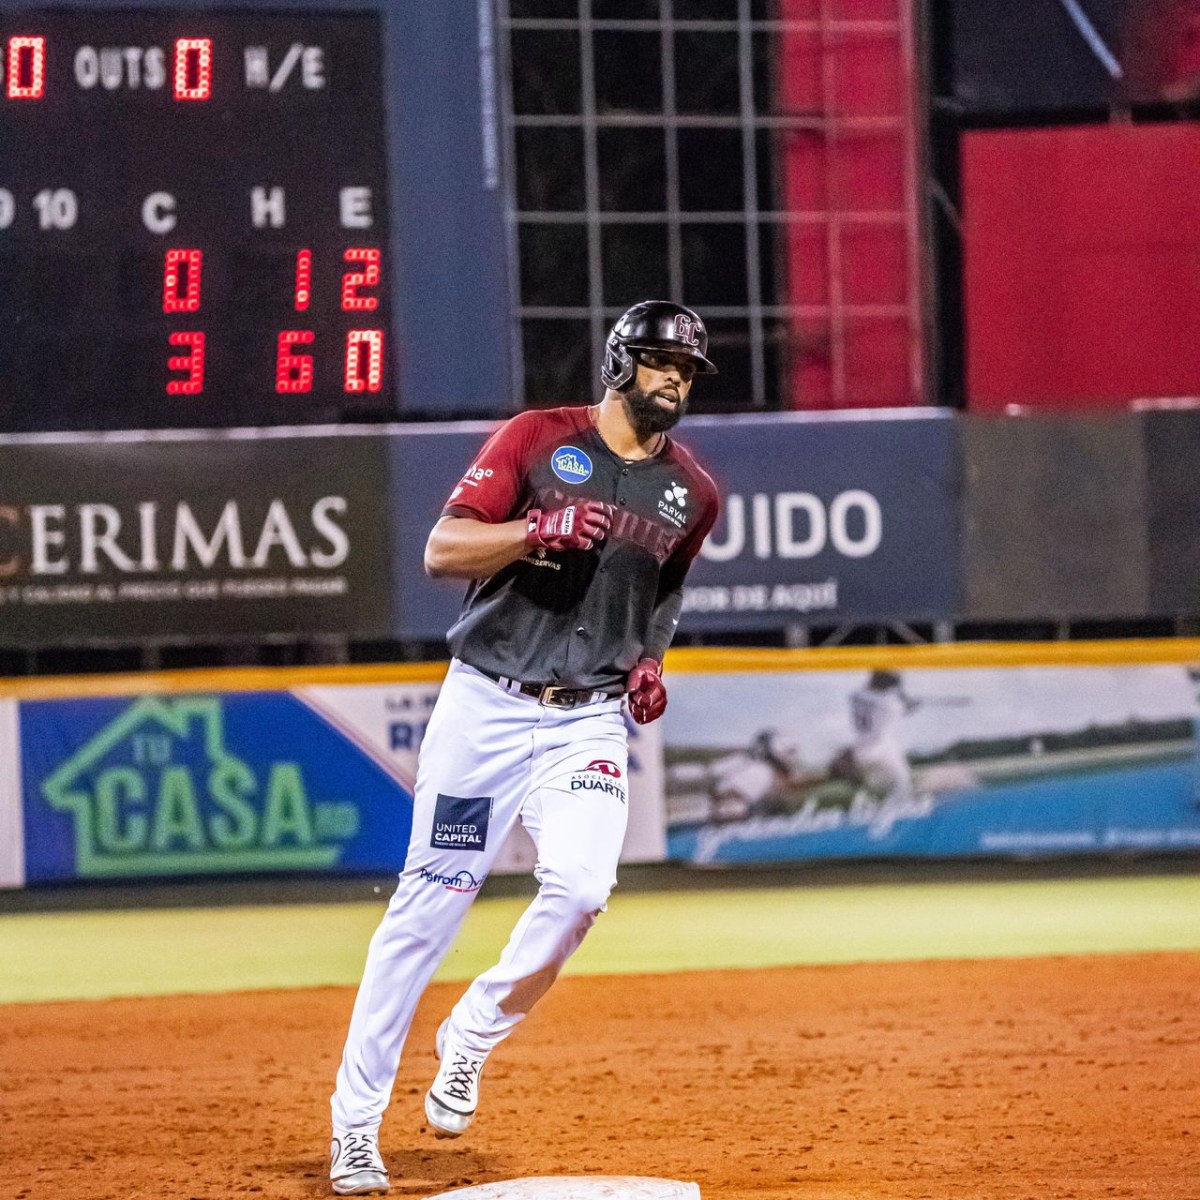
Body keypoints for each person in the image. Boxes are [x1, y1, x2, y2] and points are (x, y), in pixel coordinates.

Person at [328, 300, 721, 1196]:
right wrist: (531, 531)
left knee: (584, 889)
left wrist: (651, 660)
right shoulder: (538, 439)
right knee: (426, 913)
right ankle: (356, 1127)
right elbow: (441, 549)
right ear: (621, 361)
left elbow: (665, 592)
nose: (674, 380)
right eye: (661, 362)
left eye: (688, 370)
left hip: (586, 718)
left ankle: (471, 1032)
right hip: (487, 711)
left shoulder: (692, 491)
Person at [845, 670, 920, 804]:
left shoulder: (856, 696)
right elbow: (907, 708)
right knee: (903, 785)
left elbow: (870, 690)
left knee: (879, 787)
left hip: (861, 752)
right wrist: (907, 700)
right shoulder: (890, 704)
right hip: (883, 751)